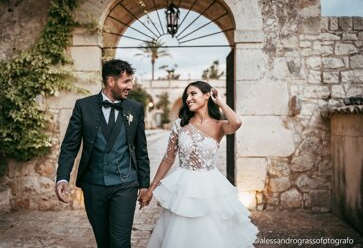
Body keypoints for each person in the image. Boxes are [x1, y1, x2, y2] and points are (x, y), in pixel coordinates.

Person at [140, 81, 259, 248]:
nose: (188, 99)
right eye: (186, 96)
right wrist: (151, 189)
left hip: (211, 187)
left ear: (207, 95)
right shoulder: (179, 125)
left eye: (193, 94)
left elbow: (237, 123)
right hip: (184, 187)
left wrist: (221, 102)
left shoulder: (219, 126)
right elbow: (168, 158)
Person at [55, 59, 150, 248]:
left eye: (131, 81)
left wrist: (145, 184)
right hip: (93, 185)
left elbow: (141, 149)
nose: (130, 86)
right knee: (103, 241)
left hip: (125, 185)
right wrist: (62, 178)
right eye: (126, 82)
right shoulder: (83, 106)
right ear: (110, 81)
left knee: (120, 241)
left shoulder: (135, 109)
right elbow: (70, 146)